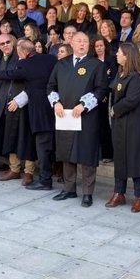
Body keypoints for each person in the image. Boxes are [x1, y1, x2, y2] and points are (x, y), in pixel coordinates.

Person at [0, 38, 59, 190]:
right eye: (1, 44)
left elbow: (11, 74)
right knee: (41, 145)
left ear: (21, 51)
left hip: (34, 109)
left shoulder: (25, 63)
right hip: (52, 106)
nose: (6, 46)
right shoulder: (50, 58)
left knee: (39, 145)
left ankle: (42, 179)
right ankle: (35, 175)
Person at [48, 32, 108, 207]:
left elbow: (101, 89)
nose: (82, 44)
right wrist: (56, 103)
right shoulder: (61, 64)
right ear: (71, 43)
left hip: (86, 115)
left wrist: (83, 105)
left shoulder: (96, 65)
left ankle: (87, 193)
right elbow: (51, 86)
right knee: (67, 152)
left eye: (85, 41)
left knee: (87, 154)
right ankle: (69, 189)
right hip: (65, 115)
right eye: (78, 41)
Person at [107, 43, 140, 212]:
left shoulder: (138, 77)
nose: (116, 55)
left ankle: (138, 197)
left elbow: (131, 100)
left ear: (127, 56)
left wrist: (115, 109)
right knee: (120, 157)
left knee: (137, 159)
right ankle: (119, 193)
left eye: (119, 53)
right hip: (121, 124)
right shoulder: (120, 73)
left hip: (137, 126)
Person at [0, 34, 35, 185]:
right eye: (2, 43)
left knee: (26, 136)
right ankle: (14, 169)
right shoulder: (1, 59)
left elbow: (35, 82)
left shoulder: (27, 58)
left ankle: (29, 172)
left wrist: (20, 100)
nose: (5, 45)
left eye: (8, 42)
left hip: (24, 103)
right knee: (10, 135)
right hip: (6, 103)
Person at [92, 35, 117, 163]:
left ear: (105, 46)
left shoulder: (110, 59)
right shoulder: (92, 60)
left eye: (101, 45)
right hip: (95, 96)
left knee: (107, 125)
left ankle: (108, 153)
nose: (99, 48)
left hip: (108, 95)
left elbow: (113, 77)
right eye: (97, 46)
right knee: (96, 125)